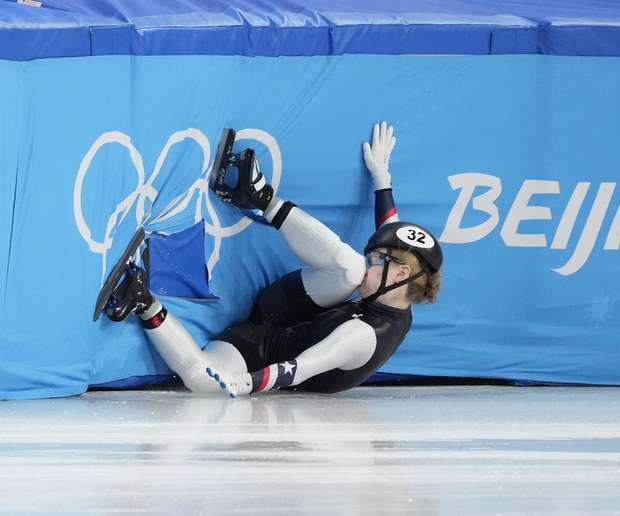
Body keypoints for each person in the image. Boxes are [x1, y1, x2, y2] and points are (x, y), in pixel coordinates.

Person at [104, 122, 442, 397]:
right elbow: (391, 231)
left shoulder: (364, 335)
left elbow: (300, 369)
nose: (370, 263)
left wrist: (245, 383)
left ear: (399, 275)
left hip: (262, 351)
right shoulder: (398, 285)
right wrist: (383, 178)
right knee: (349, 268)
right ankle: (258, 195)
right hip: (285, 309)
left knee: (205, 383)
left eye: (377, 261)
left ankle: (142, 300)